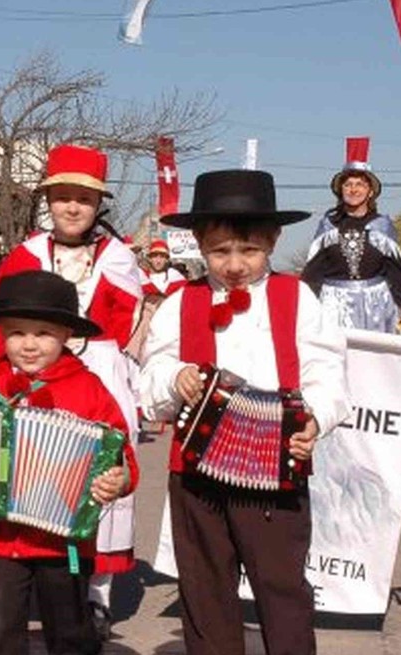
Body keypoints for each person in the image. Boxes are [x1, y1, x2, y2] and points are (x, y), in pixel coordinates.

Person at [140, 169, 351, 655]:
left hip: (276, 470)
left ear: (274, 241)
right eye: (220, 252)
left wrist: (315, 419)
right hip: (196, 472)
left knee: (282, 587)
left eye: (249, 250)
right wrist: (174, 380)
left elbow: (328, 370)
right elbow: (151, 374)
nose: (235, 264)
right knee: (205, 589)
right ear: (198, 244)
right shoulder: (179, 302)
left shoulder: (296, 296)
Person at [0, 144, 143, 632]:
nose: (72, 207)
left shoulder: (120, 257)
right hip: (31, 375)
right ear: (48, 199)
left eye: (83, 199)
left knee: (101, 483)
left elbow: (127, 321)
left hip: (98, 374)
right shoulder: (25, 254)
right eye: (63, 196)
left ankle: (95, 593)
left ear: (97, 205)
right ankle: (28, 580)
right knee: (32, 475)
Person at [0, 270, 137, 655]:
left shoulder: (89, 389)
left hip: (67, 539)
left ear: (65, 335)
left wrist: (118, 480)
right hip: (0, 535)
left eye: (43, 333)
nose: (28, 345)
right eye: (16, 333)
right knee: (0, 623)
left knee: (70, 626)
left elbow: (122, 456)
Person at [301, 150, 401, 336]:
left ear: (370, 191)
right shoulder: (328, 226)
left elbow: (397, 275)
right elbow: (312, 274)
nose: (353, 189)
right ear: (340, 191)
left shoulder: (383, 226)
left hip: (376, 306)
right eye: (348, 185)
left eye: (360, 184)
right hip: (333, 306)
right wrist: (301, 313)